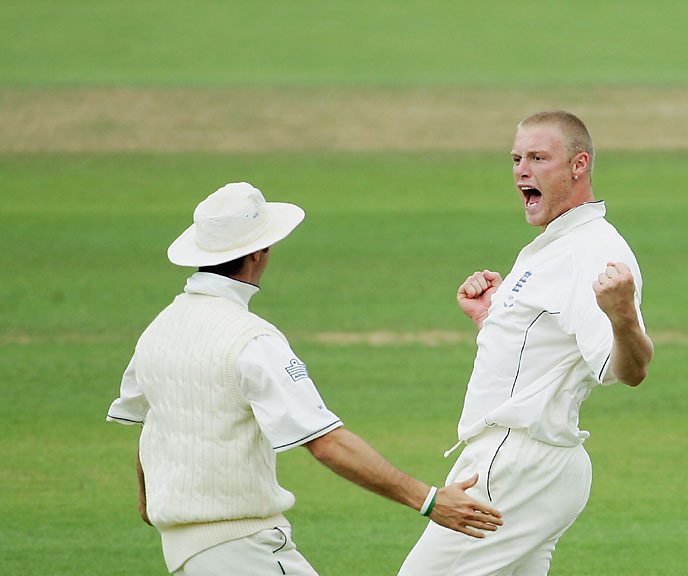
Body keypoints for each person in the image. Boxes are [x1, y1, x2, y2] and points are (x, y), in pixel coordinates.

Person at [106, 182, 502, 575]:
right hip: (243, 549)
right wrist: (429, 500)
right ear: (259, 252)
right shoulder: (251, 340)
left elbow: (152, 423)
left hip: (183, 552)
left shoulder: (158, 331)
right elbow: (326, 443)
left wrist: (151, 499)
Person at [398, 111, 653, 575]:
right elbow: (542, 354)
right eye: (516, 159)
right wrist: (491, 320)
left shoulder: (593, 250)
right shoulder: (554, 244)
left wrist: (623, 318)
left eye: (538, 158)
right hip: (536, 462)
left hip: (517, 463)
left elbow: (628, 371)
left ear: (578, 165)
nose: (521, 170)